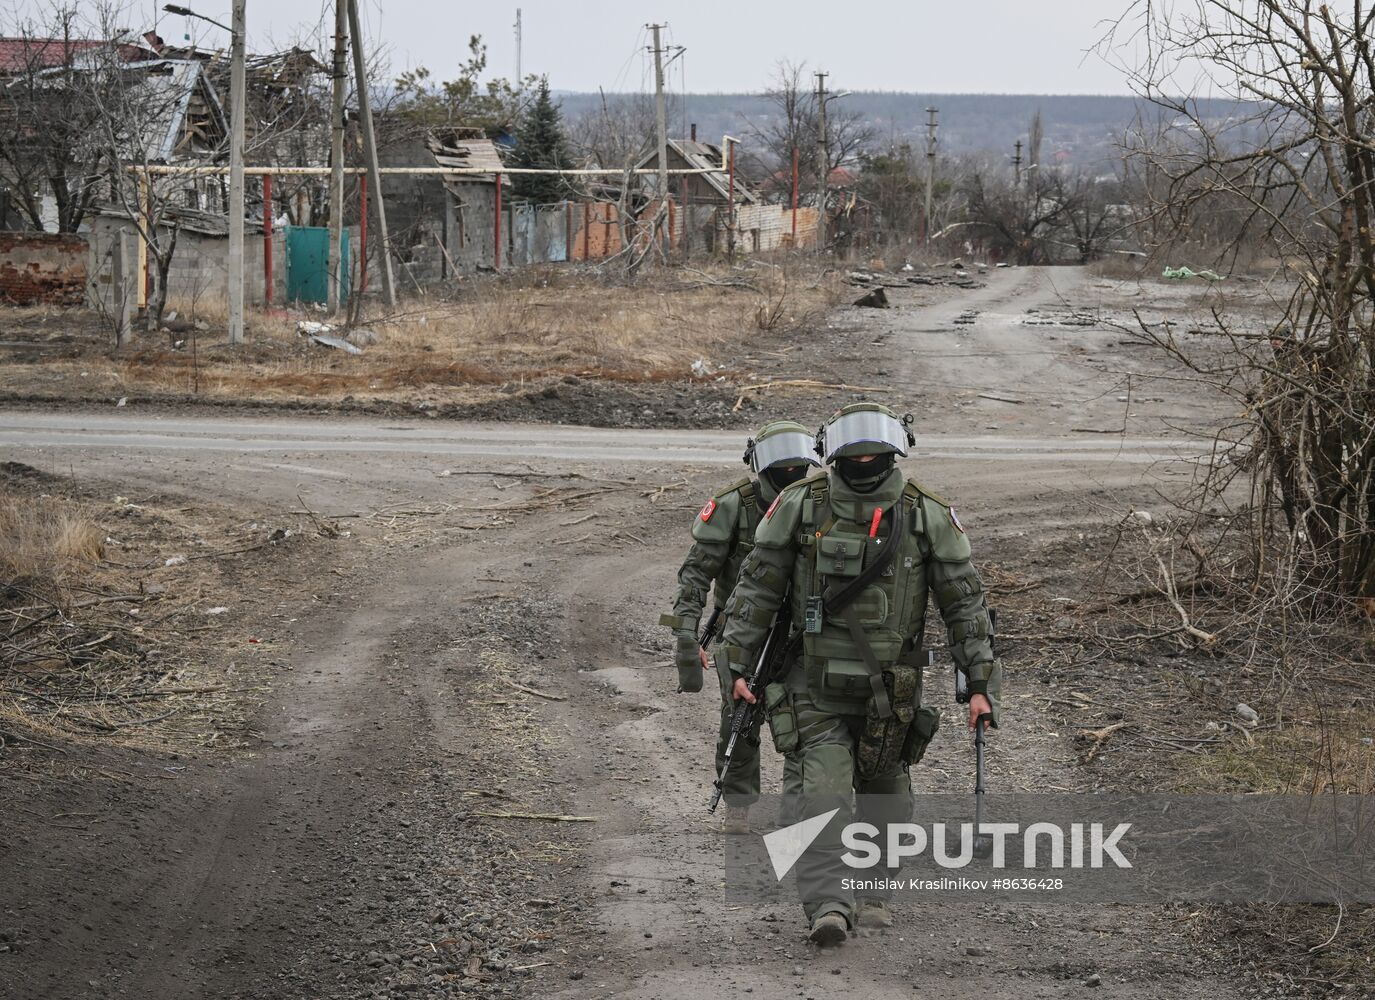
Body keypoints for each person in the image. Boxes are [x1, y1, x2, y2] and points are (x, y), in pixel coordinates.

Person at [713, 402, 1002, 946]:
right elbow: (756, 591)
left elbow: (964, 605)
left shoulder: (924, 515)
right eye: (855, 452)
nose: (864, 459)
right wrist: (737, 667)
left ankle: (873, 893)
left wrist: (980, 685)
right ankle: (827, 906)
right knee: (817, 796)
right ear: (833, 453)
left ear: (893, 452)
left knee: (887, 804)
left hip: (891, 694)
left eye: (874, 452)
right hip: (811, 685)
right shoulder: (800, 506)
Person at [661, 419, 820, 834]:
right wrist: (686, 635)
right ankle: (739, 806)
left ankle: (802, 813)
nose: (791, 469)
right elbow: (694, 576)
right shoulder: (733, 505)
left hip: (803, 633)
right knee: (740, 719)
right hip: (743, 631)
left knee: (807, 722)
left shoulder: (817, 503)